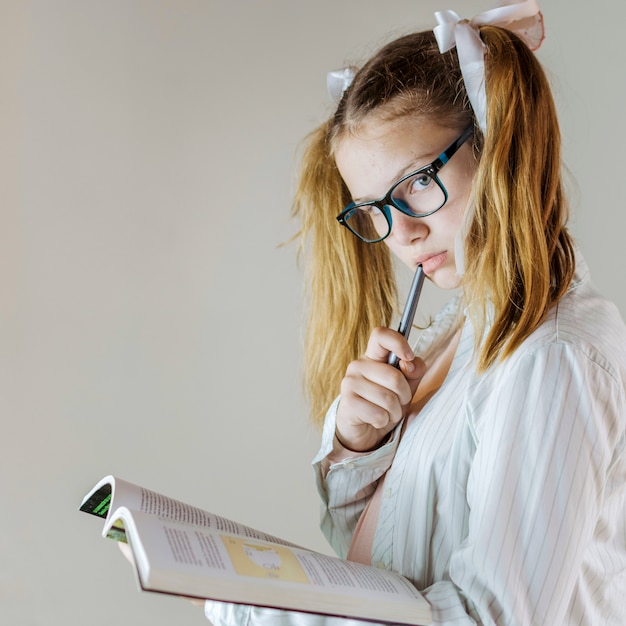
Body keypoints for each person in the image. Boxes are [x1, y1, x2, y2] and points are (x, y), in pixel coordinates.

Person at [204, 0, 626, 623]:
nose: (399, 234)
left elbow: (494, 616)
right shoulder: (454, 337)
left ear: (496, 148)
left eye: (417, 183)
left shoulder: (552, 358)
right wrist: (359, 443)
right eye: (373, 209)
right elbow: (387, 561)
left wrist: (272, 615)